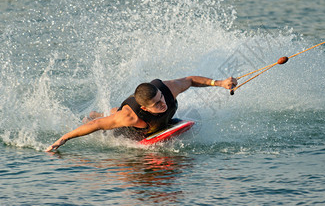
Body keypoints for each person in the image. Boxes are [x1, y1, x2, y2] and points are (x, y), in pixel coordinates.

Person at [45, 76, 237, 152]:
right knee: (108, 119)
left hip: (151, 119)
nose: (163, 104)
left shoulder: (168, 89)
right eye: (157, 104)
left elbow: (190, 80)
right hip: (133, 129)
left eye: (162, 98)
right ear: (145, 108)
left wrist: (220, 83)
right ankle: (96, 113)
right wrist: (64, 138)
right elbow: (95, 127)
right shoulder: (130, 117)